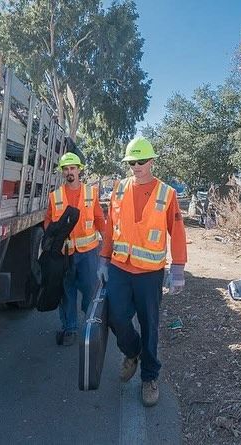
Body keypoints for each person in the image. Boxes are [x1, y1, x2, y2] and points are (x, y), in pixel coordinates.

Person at [97, 137, 187, 407]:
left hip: (150, 273)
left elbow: (178, 232)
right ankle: (132, 351)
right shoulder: (119, 190)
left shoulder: (166, 194)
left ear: (152, 161)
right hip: (120, 267)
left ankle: (149, 378)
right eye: (131, 162)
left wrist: (178, 268)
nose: (135, 167)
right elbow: (111, 227)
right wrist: (103, 259)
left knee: (150, 326)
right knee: (115, 317)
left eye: (140, 161)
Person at [44, 152, 105, 346]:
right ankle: (70, 328)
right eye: (66, 169)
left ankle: (90, 326)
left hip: (88, 253)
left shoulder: (91, 193)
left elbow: (99, 220)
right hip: (65, 254)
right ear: (62, 172)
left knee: (90, 291)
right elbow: (48, 222)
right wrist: (52, 242)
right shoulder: (55, 197)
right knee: (66, 292)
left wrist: (109, 244)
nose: (70, 172)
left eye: (73, 168)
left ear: (79, 170)